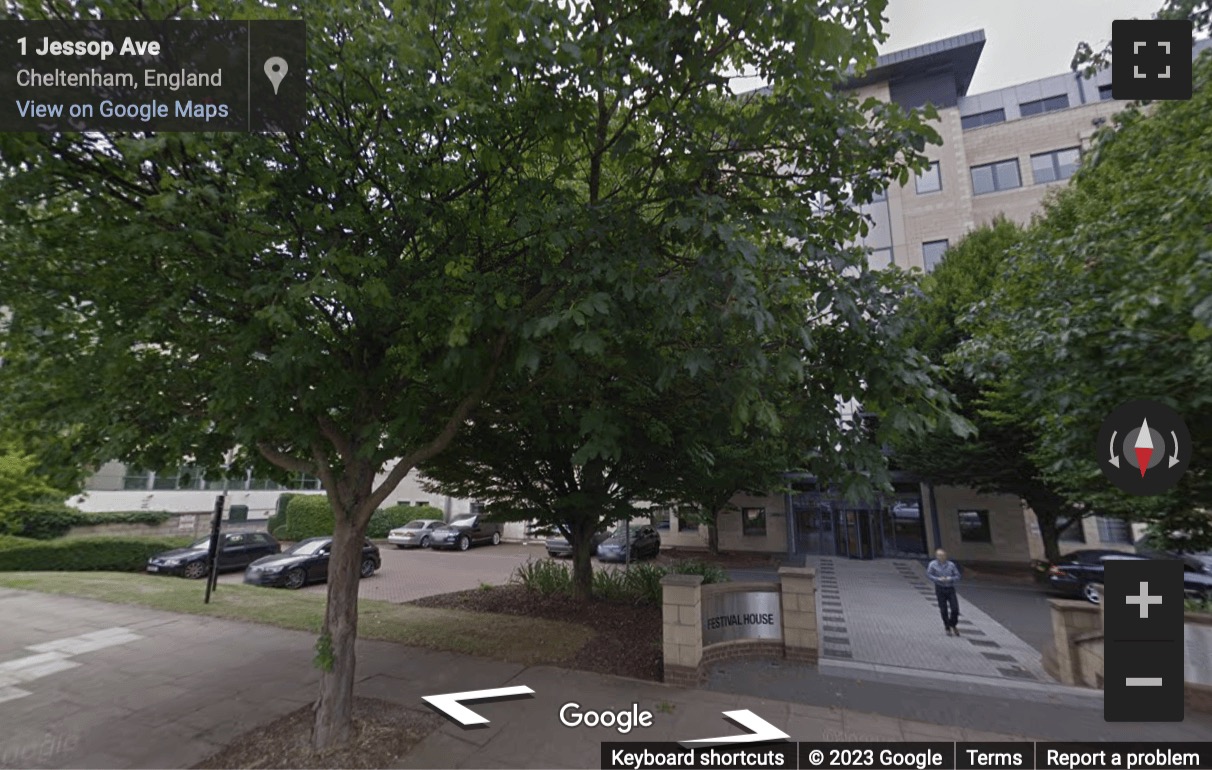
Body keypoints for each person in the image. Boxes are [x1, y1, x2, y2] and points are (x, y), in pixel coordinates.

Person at [926, 548, 962, 636]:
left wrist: (950, 579)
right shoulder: (933, 565)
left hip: (950, 588)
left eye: (943, 555)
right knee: (943, 609)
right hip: (940, 588)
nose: (941, 557)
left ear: (946, 556)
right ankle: (947, 627)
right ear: (936, 556)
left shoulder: (951, 565)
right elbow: (929, 574)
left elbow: (957, 575)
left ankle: (952, 623)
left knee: (955, 609)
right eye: (939, 555)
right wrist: (938, 579)